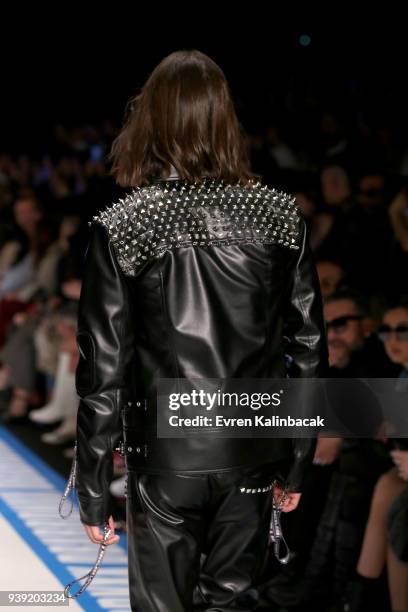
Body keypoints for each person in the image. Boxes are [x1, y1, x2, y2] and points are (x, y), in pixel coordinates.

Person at [69, 49, 328, 611]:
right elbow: (307, 349)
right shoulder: (280, 216)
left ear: (152, 119)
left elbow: (102, 367)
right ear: (224, 117)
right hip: (254, 449)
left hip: (167, 457)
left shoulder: (126, 224)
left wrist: (92, 488)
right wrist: (298, 460)